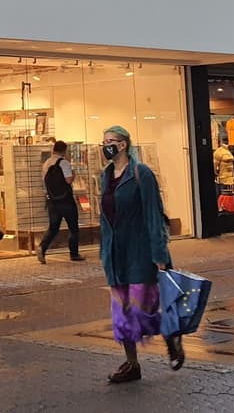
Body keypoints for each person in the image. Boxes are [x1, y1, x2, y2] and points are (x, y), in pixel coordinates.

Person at [98, 125, 181, 383]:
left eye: (110, 141)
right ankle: (132, 364)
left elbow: (153, 214)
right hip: (115, 253)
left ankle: (171, 335)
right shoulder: (106, 175)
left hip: (140, 250)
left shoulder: (140, 173)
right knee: (121, 310)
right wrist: (104, 251)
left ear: (123, 145)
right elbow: (105, 216)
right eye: (103, 142)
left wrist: (159, 253)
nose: (105, 146)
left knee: (141, 308)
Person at [37, 140, 84, 263]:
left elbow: (44, 182)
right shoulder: (64, 163)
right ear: (64, 150)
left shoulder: (46, 163)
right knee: (73, 227)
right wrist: (73, 174)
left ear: (53, 149)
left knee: (53, 227)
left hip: (52, 201)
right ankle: (74, 254)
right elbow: (68, 180)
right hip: (66, 200)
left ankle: (42, 247)